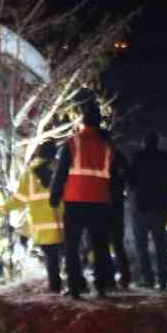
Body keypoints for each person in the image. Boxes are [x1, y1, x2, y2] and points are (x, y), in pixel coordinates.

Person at [50, 100, 118, 299]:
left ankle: (74, 288)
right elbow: (113, 178)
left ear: (83, 122)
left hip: (75, 201)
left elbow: (61, 173)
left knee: (72, 246)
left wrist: (54, 195)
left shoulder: (73, 142)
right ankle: (102, 286)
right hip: (100, 202)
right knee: (100, 246)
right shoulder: (108, 147)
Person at [6, 141, 66, 293]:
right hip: (64, 222)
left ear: (39, 153)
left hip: (43, 226)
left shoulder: (30, 172)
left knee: (51, 259)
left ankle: (55, 289)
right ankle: (77, 285)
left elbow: (19, 199)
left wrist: (2, 208)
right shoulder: (62, 168)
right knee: (68, 255)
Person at [129, 131, 167, 289]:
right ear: (157, 142)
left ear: (144, 142)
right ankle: (163, 279)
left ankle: (148, 279)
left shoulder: (137, 157)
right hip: (160, 206)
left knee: (141, 245)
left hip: (141, 206)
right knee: (160, 244)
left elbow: (130, 182)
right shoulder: (166, 157)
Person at [108, 142, 134, 289]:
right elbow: (130, 177)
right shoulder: (119, 156)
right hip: (116, 202)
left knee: (103, 243)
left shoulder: (99, 154)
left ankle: (109, 278)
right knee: (117, 243)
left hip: (102, 202)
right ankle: (125, 278)